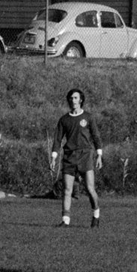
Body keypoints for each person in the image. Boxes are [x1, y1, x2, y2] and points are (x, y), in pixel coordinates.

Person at [49, 89, 103, 227]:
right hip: (69, 157)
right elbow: (57, 139)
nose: (73, 100)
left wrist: (99, 155)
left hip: (85, 155)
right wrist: (54, 157)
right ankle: (65, 220)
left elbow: (96, 136)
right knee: (67, 190)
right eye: (71, 98)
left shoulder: (88, 117)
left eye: (75, 98)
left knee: (90, 189)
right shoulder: (64, 120)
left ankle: (96, 214)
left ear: (81, 100)